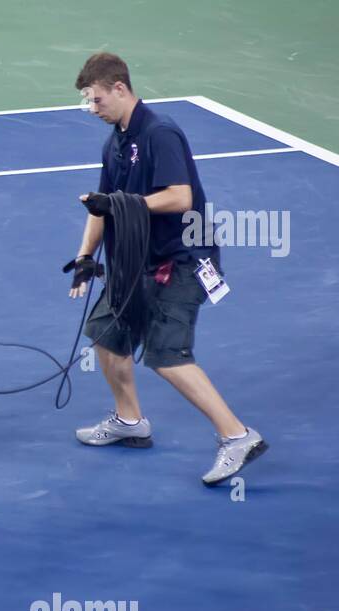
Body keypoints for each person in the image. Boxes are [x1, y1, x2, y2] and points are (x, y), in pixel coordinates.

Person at [67, 51, 268, 486]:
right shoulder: (115, 142)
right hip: (136, 264)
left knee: (166, 353)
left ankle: (238, 436)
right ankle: (129, 420)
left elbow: (180, 197)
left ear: (119, 89)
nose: (92, 108)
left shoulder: (161, 134)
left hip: (182, 261)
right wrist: (85, 257)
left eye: (96, 99)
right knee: (106, 334)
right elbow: (100, 207)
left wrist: (124, 204)